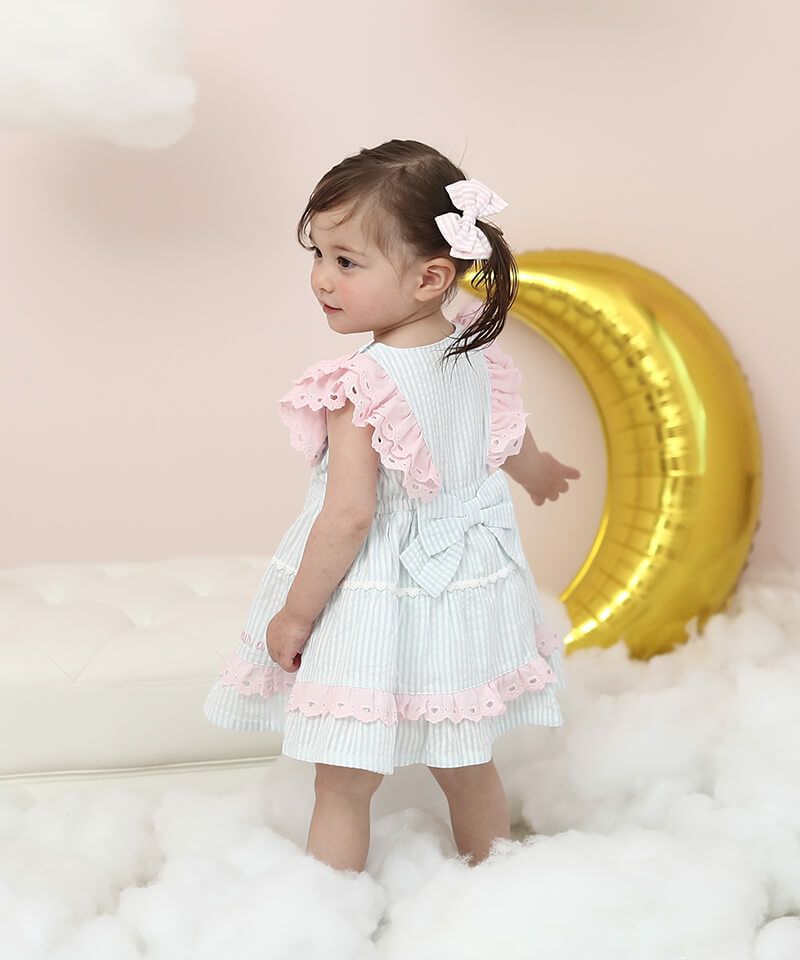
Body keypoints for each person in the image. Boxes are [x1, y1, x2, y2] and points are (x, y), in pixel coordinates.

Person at [203, 139, 581, 875]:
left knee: (343, 779)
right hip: (464, 593)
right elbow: (509, 441)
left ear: (430, 277)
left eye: (347, 262)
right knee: (465, 757)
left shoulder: (364, 384)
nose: (321, 278)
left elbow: (349, 517)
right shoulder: (474, 356)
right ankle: (496, 880)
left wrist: (296, 617)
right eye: (317, 254)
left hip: (379, 596)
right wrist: (540, 476)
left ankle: (328, 909)